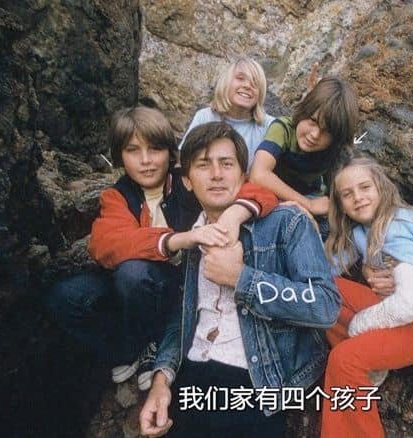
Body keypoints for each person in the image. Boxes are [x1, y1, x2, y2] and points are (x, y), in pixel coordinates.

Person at [45, 106, 278, 386]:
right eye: (133, 151)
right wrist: (180, 239)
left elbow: (260, 191)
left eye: (155, 149)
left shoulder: (189, 180)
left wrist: (235, 213)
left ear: (170, 152)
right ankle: (130, 349)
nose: (146, 161)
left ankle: (154, 346)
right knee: (66, 297)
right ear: (119, 156)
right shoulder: (118, 195)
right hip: (135, 287)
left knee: (133, 274)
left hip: (181, 286)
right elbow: (106, 244)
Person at [138, 121, 341, 438]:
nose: (216, 174)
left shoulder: (286, 222)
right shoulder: (191, 238)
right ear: (187, 180)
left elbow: (325, 305)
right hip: (191, 379)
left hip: (257, 383)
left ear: (243, 174)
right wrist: (161, 379)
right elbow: (183, 319)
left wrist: (242, 279)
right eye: (203, 165)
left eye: (227, 164)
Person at [320, 154, 413, 438]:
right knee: (321, 291)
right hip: (398, 314)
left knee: (344, 359)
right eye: (347, 194)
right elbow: (320, 270)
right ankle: (369, 368)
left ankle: (358, 365)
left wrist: (360, 326)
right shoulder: (362, 231)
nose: (358, 198)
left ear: (381, 186)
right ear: (340, 205)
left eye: (365, 187)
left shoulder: (399, 225)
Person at [249, 77, 359, 236]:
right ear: (304, 110)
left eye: (327, 131)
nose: (315, 135)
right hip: (278, 200)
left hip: (315, 201)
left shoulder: (336, 150)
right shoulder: (284, 129)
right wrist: (308, 205)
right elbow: (258, 175)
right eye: (313, 121)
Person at [178, 56, 274, 169]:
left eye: (255, 82)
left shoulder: (270, 126)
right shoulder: (205, 117)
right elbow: (183, 162)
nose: (247, 86)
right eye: (240, 78)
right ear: (226, 83)